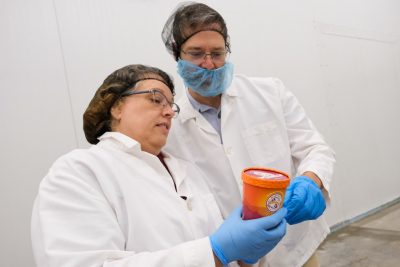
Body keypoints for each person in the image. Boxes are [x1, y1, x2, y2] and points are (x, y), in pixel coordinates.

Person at [31, 64, 288, 267]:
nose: (169, 112)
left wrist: (246, 256)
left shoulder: (188, 171)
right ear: (117, 107)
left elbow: (221, 247)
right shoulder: (79, 171)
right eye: (156, 99)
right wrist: (213, 253)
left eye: (171, 104)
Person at [161, 2, 336, 267]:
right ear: (177, 53)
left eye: (217, 53)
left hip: (293, 248)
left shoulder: (270, 93)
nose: (209, 64)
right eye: (196, 53)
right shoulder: (169, 125)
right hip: (230, 259)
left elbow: (315, 148)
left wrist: (311, 181)